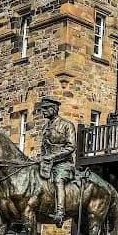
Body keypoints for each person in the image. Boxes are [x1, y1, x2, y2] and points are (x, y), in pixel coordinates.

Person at [37, 96, 76, 228]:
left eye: (46, 109)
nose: (44, 111)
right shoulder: (44, 127)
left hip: (63, 163)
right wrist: (40, 158)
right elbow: (43, 148)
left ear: (54, 109)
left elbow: (71, 147)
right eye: (43, 109)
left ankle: (60, 212)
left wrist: (53, 157)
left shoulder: (67, 125)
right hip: (47, 162)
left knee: (58, 180)